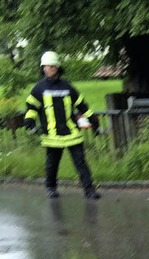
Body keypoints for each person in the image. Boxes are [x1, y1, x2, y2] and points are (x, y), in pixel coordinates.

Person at [24, 51, 101, 199]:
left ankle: (89, 190)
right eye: (47, 66)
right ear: (43, 68)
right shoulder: (38, 89)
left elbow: (82, 105)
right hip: (52, 136)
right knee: (52, 164)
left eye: (52, 66)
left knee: (81, 163)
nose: (50, 68)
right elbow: (31, 108)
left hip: (71, 133)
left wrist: (94, 121)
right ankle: (50, 188)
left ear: (58, 67)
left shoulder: (68, 87)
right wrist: (30, 122)